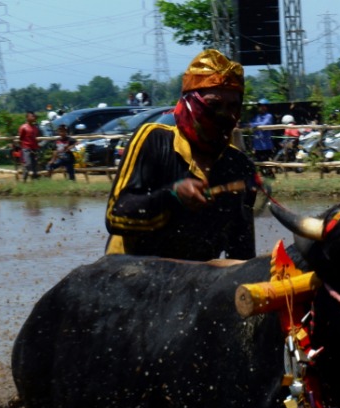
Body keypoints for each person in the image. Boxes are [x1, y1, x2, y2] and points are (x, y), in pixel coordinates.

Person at [103, 48, 256, 259]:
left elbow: (241, 249)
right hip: (133, 274)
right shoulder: (153, 139)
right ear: (190, 103)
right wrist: (171, 196)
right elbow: (115, 217)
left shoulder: (239, 166)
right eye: (213, 105)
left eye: (233, 106)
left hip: (193, 281)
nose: (224, 115)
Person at [17, 111, 41, 181]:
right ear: (27, 118)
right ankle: (24, 180)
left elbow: (37, 138)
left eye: (34, 116)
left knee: (34, 165)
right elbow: (21, 138)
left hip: (34, 148)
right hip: (26, 148)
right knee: (27, 164)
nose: (33, 118)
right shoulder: (23, 127)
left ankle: (34, 180)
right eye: (32, 116)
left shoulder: (35, 128)